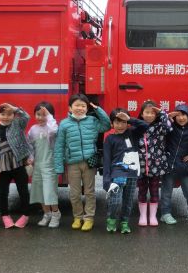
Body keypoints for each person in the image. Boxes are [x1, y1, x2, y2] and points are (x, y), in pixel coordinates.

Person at [54, 93, 110, 231]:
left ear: (87, 108)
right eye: (77, 105)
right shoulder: (64, 124)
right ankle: (77, 217)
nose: (80, 108)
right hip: (72, 163)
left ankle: (89, 218)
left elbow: (106, 125)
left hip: (89, 162)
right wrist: (59, 166)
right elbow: (59, 145)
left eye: (83, 106)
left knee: (89, 192)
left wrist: (97, 109)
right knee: (74, 193)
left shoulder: (92, 121)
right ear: (70, 108)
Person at [0, 103, 31, 229]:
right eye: (3, 114)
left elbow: (26, 117)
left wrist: (15, 109)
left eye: (9, 114)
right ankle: (5, 216)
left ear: (14, 115)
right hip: (3, 164)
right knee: (3, 192)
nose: (5, 117)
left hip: (18, 162)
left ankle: (25, 215)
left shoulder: (17, 124)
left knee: (23, 191)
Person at [103, 108, 149, 234]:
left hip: (132, 173)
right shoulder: (110, 139)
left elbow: (145, 126)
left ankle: (124, 222)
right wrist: (106, 180)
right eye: (117, 122)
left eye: (123, 122)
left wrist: (130, 119)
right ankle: (111, 219)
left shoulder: (132, 133)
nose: (120, 125)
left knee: (128, 201)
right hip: (117, 173)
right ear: (112, 124)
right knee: (115, 201)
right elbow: (106, 160)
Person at [160, 104, 188, 224]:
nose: (181, 118)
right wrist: (168, 118)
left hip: (185, 167)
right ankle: (165, 213)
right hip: (169, 166)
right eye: (178, 115)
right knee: (166, 192)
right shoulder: (171, 128)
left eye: (184, 115)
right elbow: (161, 129)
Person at [136, 100, 172, 227]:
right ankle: (142, 216)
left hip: (156, 166)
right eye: (147, 112)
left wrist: (161, 113)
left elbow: (169, 127)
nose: (150, 115)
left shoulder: (160, 127)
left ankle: (152, 216)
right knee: (141, 191)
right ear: (142, 114)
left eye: (152, 113)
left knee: (154, 191)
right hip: (141, 165)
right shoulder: (137, 128)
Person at [27, 102, 60, 228]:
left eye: (44, 115)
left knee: (49, 191)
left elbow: (54, 130)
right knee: (39, 191)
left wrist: (49, 117)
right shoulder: (33, 129)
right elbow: (29, 146)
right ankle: (47, 214)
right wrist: (30, 158)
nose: (40, 117)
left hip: (49, 164)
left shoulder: (51, 128)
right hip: (37, 165)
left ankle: (56, 214)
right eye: (38, 114)